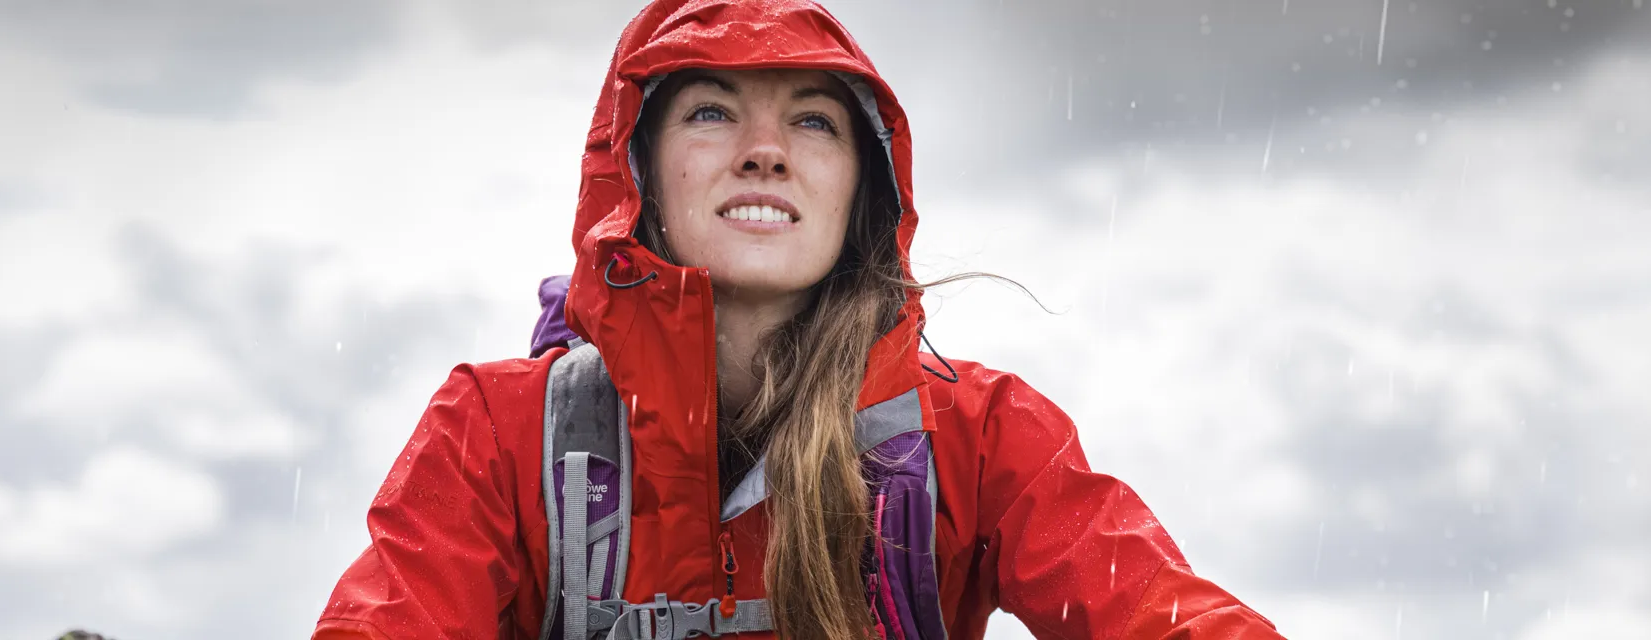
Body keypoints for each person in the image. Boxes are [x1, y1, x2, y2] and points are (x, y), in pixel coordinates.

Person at [313, 1, 1283, 638]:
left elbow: (1163, 618)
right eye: (711, 111)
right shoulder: (500, 433)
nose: (766, 151)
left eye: (814, 120)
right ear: (638, 179)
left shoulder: (980, 437)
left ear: (863, 187)